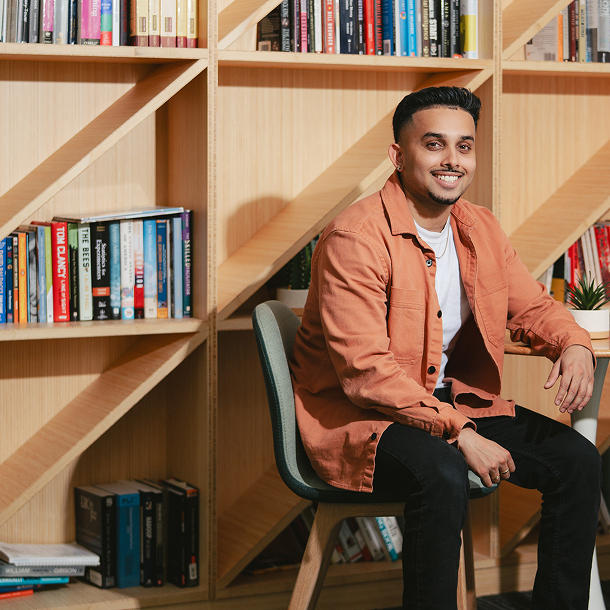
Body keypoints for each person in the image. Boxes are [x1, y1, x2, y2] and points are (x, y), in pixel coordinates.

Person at [289, 86, 602, 610]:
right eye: (434, 145)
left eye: (464, 146)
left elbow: (531, 307)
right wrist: (460, 434)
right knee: (442, 470)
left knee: (576, 459)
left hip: (445, 404)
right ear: (398, 155)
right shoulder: (355, 237)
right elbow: (366, 373)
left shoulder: (480, 227)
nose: (451, 161)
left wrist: (573, 343)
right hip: (362, 418)